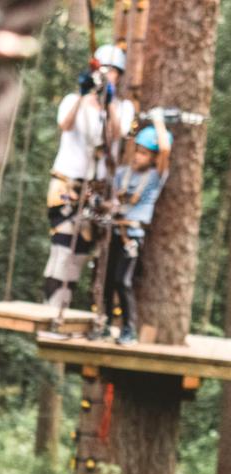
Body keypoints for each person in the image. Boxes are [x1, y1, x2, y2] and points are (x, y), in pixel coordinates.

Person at [42, 43, 136, 313]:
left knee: (81, 253)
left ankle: (65, 308)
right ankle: (52, 308)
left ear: (119, 75)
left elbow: (116, 134)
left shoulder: (122, 107)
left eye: (113, 72)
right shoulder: (74, 100)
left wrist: (108, 102)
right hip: (67, 184)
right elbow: (65, 124)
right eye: (103, 70)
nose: (108, 76)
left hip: (97, 190)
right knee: (62, 247)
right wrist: (86, 96)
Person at [105, 117, 171, 345]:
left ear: (152, 158)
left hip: (132, 236)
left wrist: (158, 122)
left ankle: (128, 329)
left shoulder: (154, 177)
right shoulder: (123, 173)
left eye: (144, 153)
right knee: (107, 280)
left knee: (123, 281)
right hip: (114, 231)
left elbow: (164, 149)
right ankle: (104, 324)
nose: (137, 156)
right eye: (138, 151)